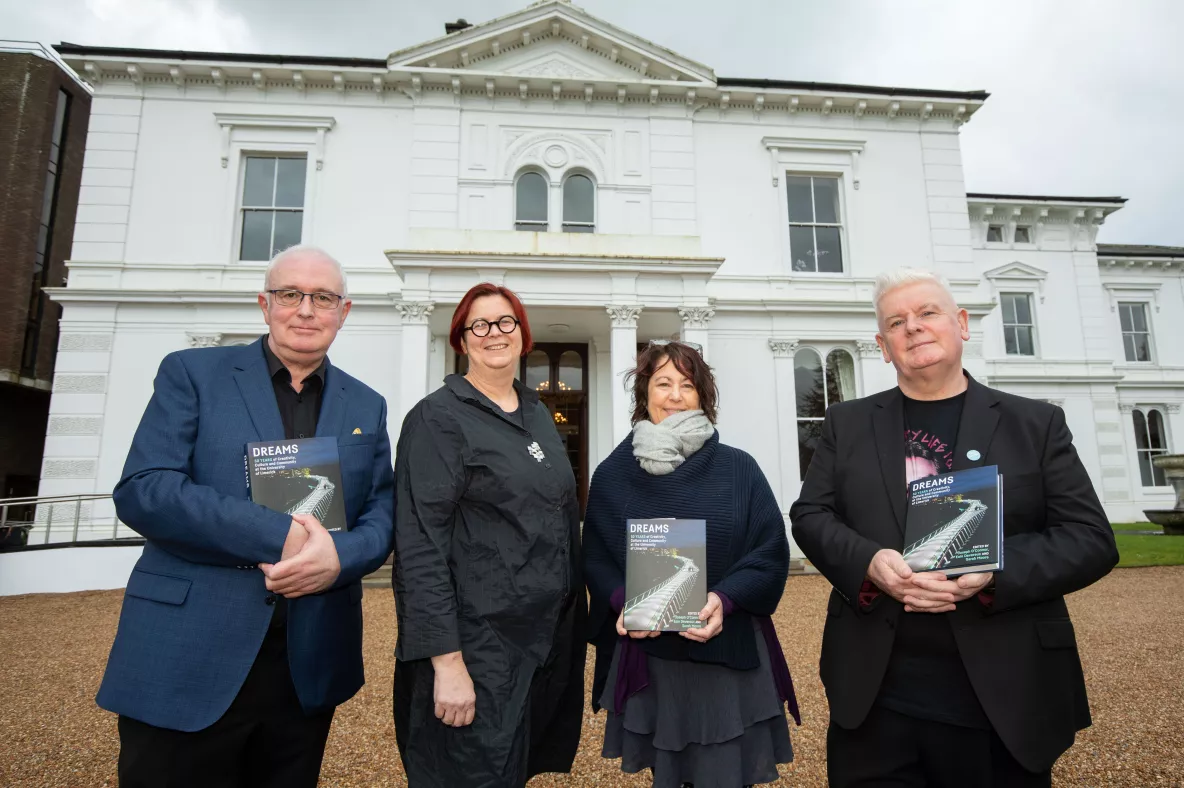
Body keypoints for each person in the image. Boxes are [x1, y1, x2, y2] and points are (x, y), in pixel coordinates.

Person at [790, 268, 1119, 787]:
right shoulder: (846, 424)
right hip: (878, 700)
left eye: (927, 313)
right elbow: (810, 516)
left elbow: (1091, 539)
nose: (913, 327)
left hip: (1003, 695)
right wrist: (870, 564)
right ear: (882, 346)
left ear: (961, 324)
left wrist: (995, 574)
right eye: (897, 322)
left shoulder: (1035, 423)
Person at [99, 245, 395, 788]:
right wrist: (281, 534)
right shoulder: (193, 372)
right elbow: (146, 488)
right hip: (187, 652)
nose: (306, 310)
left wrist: (339, 556)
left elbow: (381, 510)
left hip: (303, 666)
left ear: (343, 312)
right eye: (291, 294)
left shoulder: (366, 404)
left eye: (323, 297)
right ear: (265, 304)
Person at [391, 283, 586, 788]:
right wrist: (447, 663)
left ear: (523, 335)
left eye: (505, 322)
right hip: (478, 650)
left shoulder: (536, 411)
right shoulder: (437, 419)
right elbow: (419, 547)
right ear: (461, 340)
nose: (493, 333)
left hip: (539, 647)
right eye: (479, 325)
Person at [583, 340, 798, 788]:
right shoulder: (613, 473)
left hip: (725, 652)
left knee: (725, 774)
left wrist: (726, 598)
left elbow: (769, 550)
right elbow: (597, 555)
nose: (675, 394)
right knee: (668, 773)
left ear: (704, 396)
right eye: (662, 383)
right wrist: (624, 600)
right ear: (644, 394)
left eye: (687, 384)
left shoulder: (739, 468)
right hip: (653, 654)